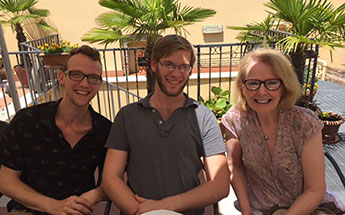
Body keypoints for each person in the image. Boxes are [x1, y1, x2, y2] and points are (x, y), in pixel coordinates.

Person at [102, 34, 230, 215]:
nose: (176, 73)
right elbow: (110, 177)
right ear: (154, 65)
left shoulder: (204, 117)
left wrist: (167, 206)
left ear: (190, 70)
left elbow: (220, 184)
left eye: (184, 67)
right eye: (169, 64)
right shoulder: (127, 116)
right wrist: (141, 211)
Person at [221, 48, 345, 215]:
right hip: (260, 209)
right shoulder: (234, 120)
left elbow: (314, 190)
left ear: (284, 86)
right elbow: (235, 167)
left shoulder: (304, 123)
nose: (262, 91)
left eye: (272, 83)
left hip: (310, 209)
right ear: (243, 87)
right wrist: (246, 212)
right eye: (253, 83)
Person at [0, 45, 112, 215]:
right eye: (76, 74)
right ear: (62, 77)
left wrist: (96, 195)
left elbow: (114, 180)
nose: (84, 83)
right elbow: (5, 180)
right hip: (27, 210)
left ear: (99, 84)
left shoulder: (105, 130)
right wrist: (53, 206)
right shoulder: (27, 120)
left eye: (93, 78)